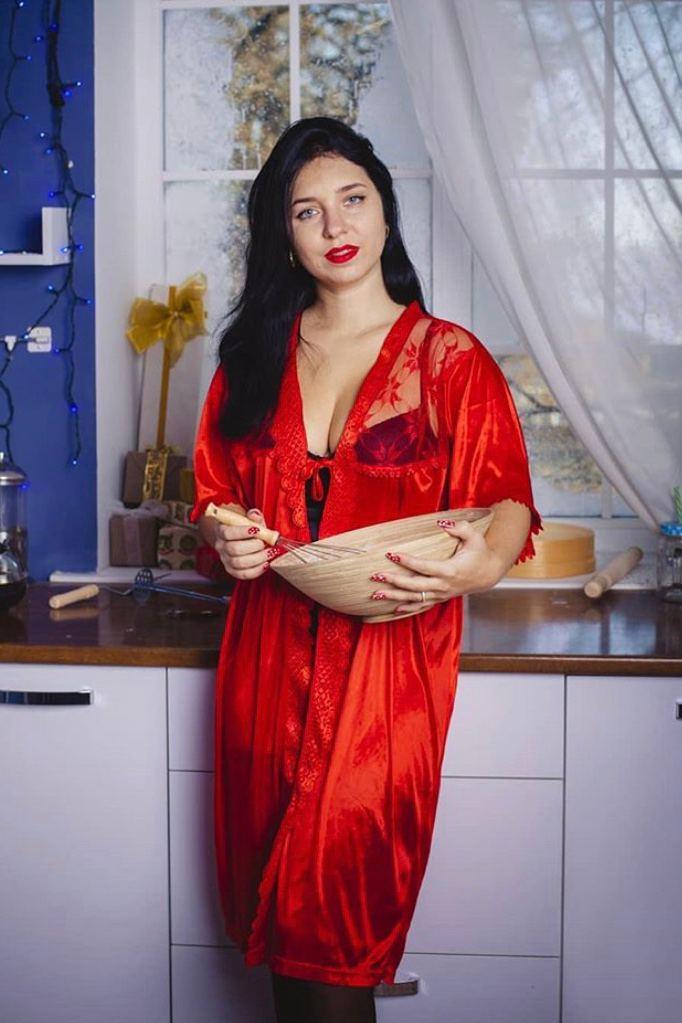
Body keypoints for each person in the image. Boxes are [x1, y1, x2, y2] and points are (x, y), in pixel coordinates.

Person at [192, 116, 541, 1023]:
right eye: (306, 211)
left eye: (353, 199)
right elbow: (213, 498)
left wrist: (477, 567)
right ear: (284, 234)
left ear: (386, 211)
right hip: (264, 670)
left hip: (388, 682)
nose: (335, 225)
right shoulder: (250, 359)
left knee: (338, 938)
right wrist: (226, 539)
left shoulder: (450, 359)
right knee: (280, 930)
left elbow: (506, 500)